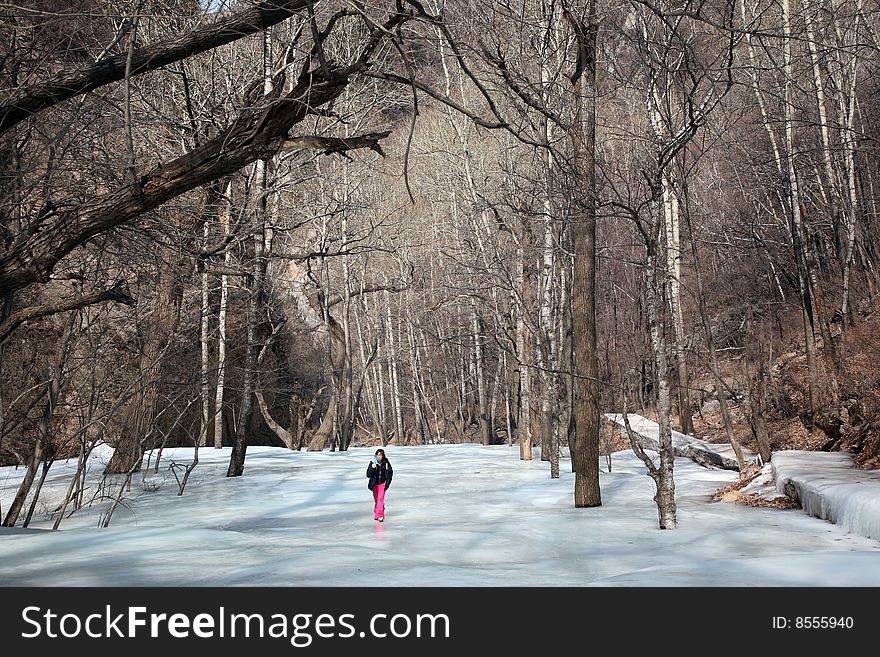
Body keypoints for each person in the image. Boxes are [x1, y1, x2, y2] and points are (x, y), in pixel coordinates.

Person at [366, 448, 393, 522]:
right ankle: (379, 509)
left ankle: (379, 515)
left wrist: (387, 483)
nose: (378, 457)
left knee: (380, 499)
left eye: (380, 455)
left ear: (383, 456)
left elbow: (390, 473)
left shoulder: (386, 463)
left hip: (382, 484)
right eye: (377, 455)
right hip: (375, 484)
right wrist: (372, 468)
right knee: (377, 499)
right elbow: (368, 475)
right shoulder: (372, 463)